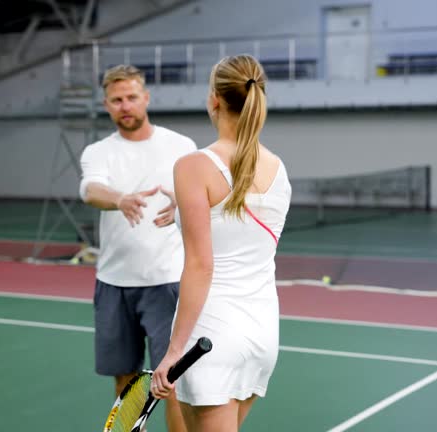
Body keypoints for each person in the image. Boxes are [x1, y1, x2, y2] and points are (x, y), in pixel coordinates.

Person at [151, 54, 291, 431]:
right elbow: (239, 222)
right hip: (262, 335)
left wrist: (174, 352)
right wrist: (183, 204)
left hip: (210, 339)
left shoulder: (192, 166)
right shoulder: (278, 169)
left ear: (214, 98)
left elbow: (201, 265)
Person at [79, 64, 196, 432]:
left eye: (131, 97)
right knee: (127, 384)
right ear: (106, 105)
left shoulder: (181, 146)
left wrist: (184, 206)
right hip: (115, 283)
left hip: (167, 283)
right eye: (116, 100)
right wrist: (121, 199)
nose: (125, 105)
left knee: (172, 385)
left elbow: (200, 197)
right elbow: (91, 190)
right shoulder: (97, 152)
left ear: (145, 98)